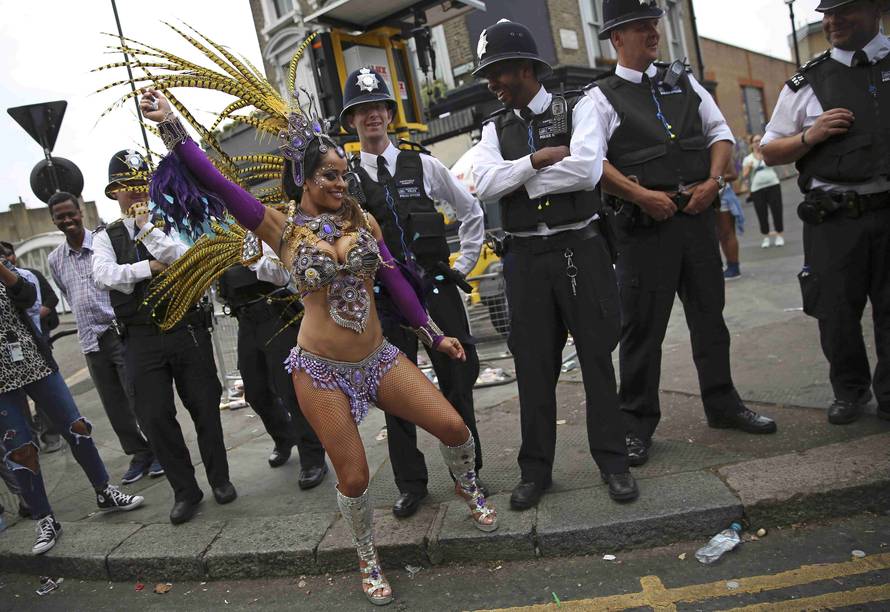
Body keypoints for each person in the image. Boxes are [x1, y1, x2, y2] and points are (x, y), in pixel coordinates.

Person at [140, 87, 497, 607]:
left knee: (453, 426)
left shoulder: (364, 222)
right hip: (321, 371)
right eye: (329, 175)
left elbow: (394, 278)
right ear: (305, 179)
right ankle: (367, 555)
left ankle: (469, 487)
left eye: (344, 174)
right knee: (353, 476)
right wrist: (171, 125)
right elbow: (217, 183)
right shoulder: (278, 226)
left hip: (379, 359)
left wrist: (432, 333)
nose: (340, 182)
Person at [588, 0, 777, 467]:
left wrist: (714, 182)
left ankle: (723, 403)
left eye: (654, 24)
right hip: (644, 230)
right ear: (617, 38)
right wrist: (638, 195)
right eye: (640, 27)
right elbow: (591, 162)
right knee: (642, 330)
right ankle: (636, 424)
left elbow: (721, 134)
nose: (653, 33)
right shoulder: (600, 97)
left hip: (695, 219)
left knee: (710, 319)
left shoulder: (684, 82)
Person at [473, 19, 637, 510]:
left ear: (525, 67)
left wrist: (515, 178)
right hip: (523, 257)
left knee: (596, 360)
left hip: (579, 250)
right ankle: (535, 471)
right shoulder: (491, 128)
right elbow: (482, 185)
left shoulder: (582, 104)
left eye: (497, 73)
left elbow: (587, 169)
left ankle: (614, 463)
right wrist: (537, 161)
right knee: (533, 366)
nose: (492, 84)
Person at [340, 66, 487, 518]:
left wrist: (459, 266)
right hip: (385, 303)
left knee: (456, 384)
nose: (372, 117)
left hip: (435, 290)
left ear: (389, 113)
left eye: (378, 108)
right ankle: (411, 484)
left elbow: (471, 211)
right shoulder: (343, 180)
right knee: (394, 394)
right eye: (361, 111)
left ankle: (469, 472)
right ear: (352, 122)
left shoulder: (423, 163)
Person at [761, 0, 890, 425]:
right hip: (835, 218)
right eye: (827, 13)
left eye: (843, 11)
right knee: (836, 311)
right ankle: (849, 392)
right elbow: (769, 148)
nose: (831, 21)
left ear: (875, 10)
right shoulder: (808, 82)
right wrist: (809, 136)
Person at [91, 149, 233, 524]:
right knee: (154, 416)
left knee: (204, 405)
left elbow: (185, 258)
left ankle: (220, 479)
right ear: (115, 193)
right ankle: (185, 491)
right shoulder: (106, 236)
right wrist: (146, 267)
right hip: (140, 337)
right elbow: (105, 275)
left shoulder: (172, 222)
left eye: (140, 185)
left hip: (186, 327)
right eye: (126, 187)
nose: (134, 194)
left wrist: (149, 233)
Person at [0, 256, 144, 555]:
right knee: (21, 450)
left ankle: (105, 491)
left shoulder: (6, 268)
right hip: (2, 382)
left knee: (76, 426)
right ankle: (45, 519)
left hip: (37, 364)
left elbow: (27, 295)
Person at [46, 191, 163, 484]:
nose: (67, 220)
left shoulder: (102, 240)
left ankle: (161, 449)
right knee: (114, 405)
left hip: (116, 330)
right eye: (60, 217)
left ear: (80, 212)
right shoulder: (55, 259)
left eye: (71, 213)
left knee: (138, 396)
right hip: (89, 339)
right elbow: (66, 291)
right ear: (54, 220)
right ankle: (139, 453)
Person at [217, 245, 328, 488]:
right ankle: (284, 437)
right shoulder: (222, 238)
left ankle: (313, 458)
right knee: (255, 392)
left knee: (291, 391)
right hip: (245, 319)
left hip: (275, 314)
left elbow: (281, 274)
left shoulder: (262, 227)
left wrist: (251, 258)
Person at [0, 241, 63, 453]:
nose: (7, 259)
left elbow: (41, 298)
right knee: (17, 406)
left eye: (9, 255)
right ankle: (29, 441)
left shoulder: (27, 275)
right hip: (5, 364)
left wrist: (38, 315)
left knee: (46, 397)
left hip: (35, 344)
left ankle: (52, 435)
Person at [742, 134, 785, 248]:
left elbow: (777, 163)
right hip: (757, 189)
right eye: (755, 141)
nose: (757, 143)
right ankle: (766, 237)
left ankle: (779, 235)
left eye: (759, 140)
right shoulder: (748, 159)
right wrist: (750, 167)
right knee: (762, 213)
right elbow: (745, 175)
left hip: (773, 185)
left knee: (777, 211)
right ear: (751, 144)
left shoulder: (768, 154)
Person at [716, 161, 745, 280]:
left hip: (722, 196)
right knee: (721, 235)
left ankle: (734, 268)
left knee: (727, 233)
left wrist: (711, 181)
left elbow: (733, 174)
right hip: (712, 197)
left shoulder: (720, 146)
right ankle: (730, 266)